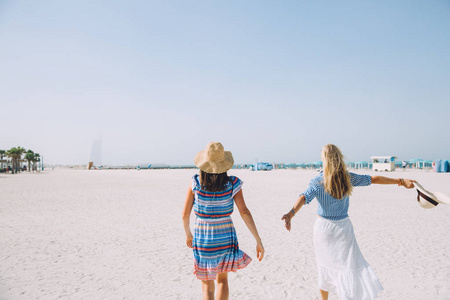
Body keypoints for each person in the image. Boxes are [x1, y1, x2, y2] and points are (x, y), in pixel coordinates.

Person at [282, 144, 415, 300]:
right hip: (343, 229)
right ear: (339, 158)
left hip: (323, 230)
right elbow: (373, 179)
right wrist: (400, 181)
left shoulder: (318, 181)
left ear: (324, 159)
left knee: (323, 267)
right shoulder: (347, 177)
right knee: (347, 267)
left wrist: (291, 213)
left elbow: (304, 197)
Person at [183, 142, 264, 300]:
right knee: (222, 280)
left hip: (203, 238)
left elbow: (185, 215)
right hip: (225, 237)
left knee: (206, 284)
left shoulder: (195, 183)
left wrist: (188, 234)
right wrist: (258, 239)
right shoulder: (232, 183)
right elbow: (244, 211)